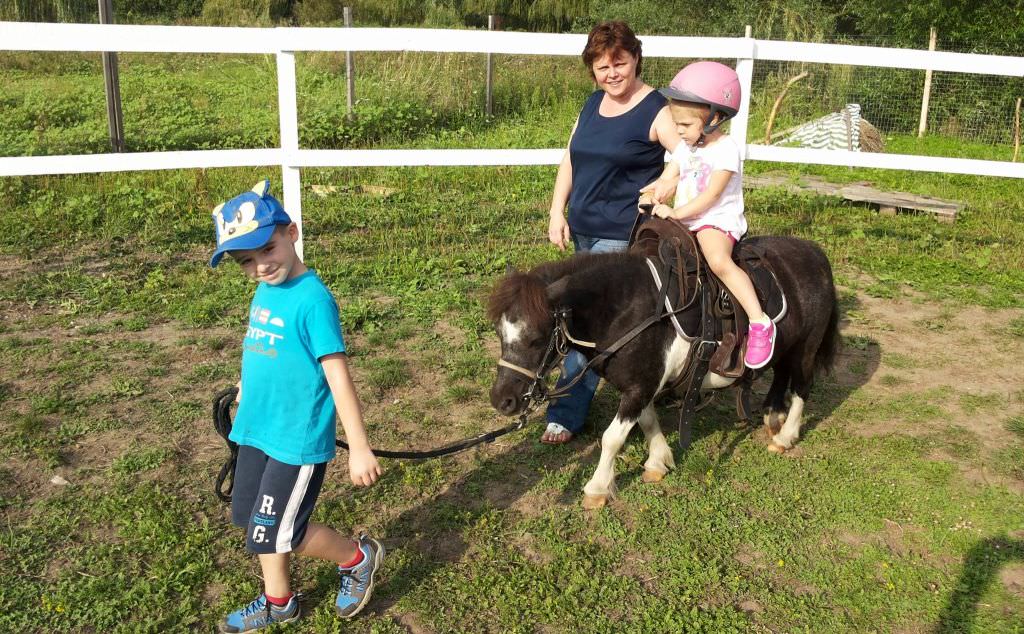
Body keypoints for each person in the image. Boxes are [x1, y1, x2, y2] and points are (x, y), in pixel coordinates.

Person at [209, 180, 384, 633]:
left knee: (279, 530)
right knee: (251, 520)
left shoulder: (313, 300)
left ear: (292, 232)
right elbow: (259, 345)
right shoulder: (267, 287)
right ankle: (279, 602)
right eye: (246, 261)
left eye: (266, 249)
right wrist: (246, 386)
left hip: (294, 440)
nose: (260, 266)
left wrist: (360, 447)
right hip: (257, 429)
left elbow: (337, 377)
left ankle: (357, 556)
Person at [542, 20, 681, 444]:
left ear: (635, 58)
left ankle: (566, 414)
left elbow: (686, 156)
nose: (612, 73)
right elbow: (571, 159)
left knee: (588, 322)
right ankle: (639, 388)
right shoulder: (591, 104)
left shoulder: (655, 108)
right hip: (582, 226)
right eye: (602, 66)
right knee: (580, 319)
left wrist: (664, 185)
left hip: (620, 235)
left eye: (619, 62)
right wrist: (556, 211)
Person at [651, 61, 776, 369]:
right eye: (676, 124)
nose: (678, 131)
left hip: (715, 219)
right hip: (686, 216)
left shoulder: (725, 150)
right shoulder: (687, 146)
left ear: (715, 117)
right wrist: (654, 191)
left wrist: (675, 213)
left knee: (717, 260)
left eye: (684, 125)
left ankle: (760, 322)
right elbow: (670, 175)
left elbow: (711, 196)